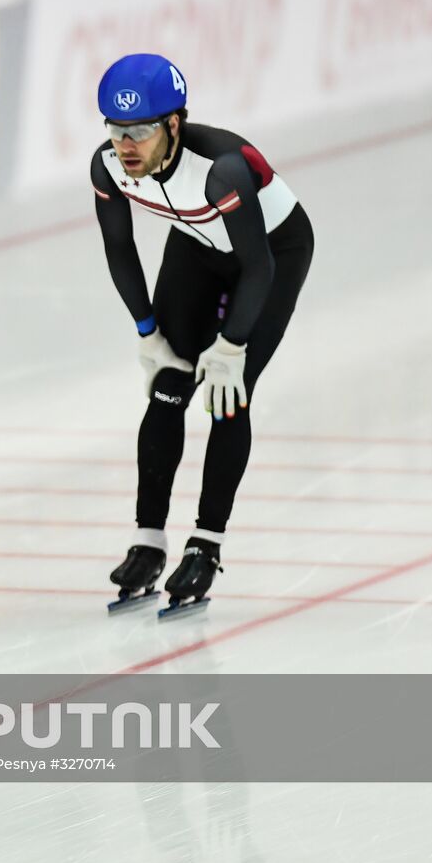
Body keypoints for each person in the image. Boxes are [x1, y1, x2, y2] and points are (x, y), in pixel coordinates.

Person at [91, 53, 313, 618]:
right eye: (116, 131)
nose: (126, 146)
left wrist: (232, 345)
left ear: (173, 124)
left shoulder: (222, 168)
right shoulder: (108, 166)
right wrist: (148, 332)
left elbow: (258, 266)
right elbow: (120, 248)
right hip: (197, 242)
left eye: (139, 131)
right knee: (168, 385)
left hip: (270, 253)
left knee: (226, 395)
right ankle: (147, 539)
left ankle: (206, 543)